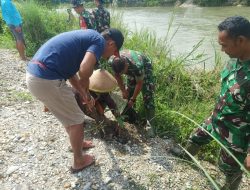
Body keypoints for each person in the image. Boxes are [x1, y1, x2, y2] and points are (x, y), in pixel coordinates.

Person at [26, 28, 124, 173]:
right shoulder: (98, 41)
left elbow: (71, 73)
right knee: (77, 119)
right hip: (46, 80)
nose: (111, 56)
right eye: (114, 53)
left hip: (36, 76)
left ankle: (78, 143)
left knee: (70, 115)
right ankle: (78, 161)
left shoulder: (88, 37)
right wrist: (85, 81)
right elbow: (84, 70)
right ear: (111, 44)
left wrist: (83, 93)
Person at [171, 16, 250, 190]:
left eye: (224, 45)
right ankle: (187, 155)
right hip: (216, 118)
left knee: (230, 168)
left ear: (241, 40)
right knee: (196, 136)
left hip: (237, 133)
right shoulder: (233, 60)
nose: (221, 50)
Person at [110, 49, 156, 137]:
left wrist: (133, 99)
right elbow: (117, 76)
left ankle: (151, 127)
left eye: (123, 72)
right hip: (129, 67)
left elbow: (139, 83)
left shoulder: (137, 66)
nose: (122, 74)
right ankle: (132, 116)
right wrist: (123, 90)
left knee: (148, 95)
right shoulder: (112, 60)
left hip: (145, 68)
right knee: (128, 92)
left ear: (127, 65)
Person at [75, 69, 123, 141]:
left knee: (102, 112)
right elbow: (85, 105)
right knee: (94, 116)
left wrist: (120, 121)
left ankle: (102, 118)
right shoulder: (83, 90)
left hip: (94, 102)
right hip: (80, 104)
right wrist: (100, 118)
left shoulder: (104, 93)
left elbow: (112, 105)